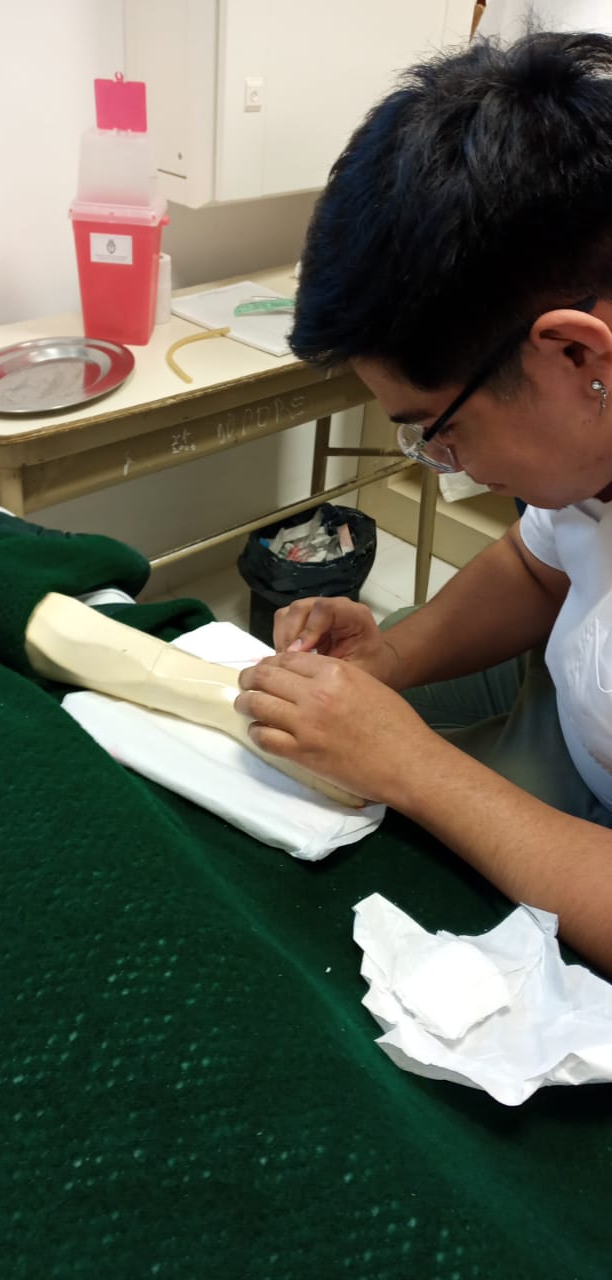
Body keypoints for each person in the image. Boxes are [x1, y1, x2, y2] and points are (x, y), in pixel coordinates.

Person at [234, 29, 612, 975]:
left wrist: (412, 766)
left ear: (575, 354)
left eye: (438, 431)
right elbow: (540, 560)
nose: (447, 466)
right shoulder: (591, 448)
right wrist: (392, 658)